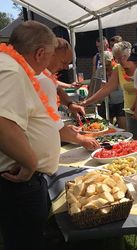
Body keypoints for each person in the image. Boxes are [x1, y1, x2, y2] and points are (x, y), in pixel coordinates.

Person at [0, 20, 59, 250]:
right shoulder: (11, 69)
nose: (48, 64)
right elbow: (2, 122)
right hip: (17, 183)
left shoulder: (10, 65)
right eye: (50, 55)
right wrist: (30, 162)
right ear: (40, 53)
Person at [37, 38, 100, 150]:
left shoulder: (46, 75)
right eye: (64, 62)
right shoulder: (42, 80)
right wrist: (83, 140)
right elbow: (52, 125)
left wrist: (71, 105)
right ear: (50, 54)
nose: (66, 67)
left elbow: (58, 89)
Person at [82, 41, 137, 138]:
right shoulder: (118, 69)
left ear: (130, 54)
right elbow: (106, 89)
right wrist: (87, 102)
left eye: (122, 57)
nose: (120, 61)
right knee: (133, 138)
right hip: (129, 111)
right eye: (117, 58)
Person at [93, 50, 126, 129]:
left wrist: (110, 84)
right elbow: (96, 85)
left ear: (112, 60)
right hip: (106, 101)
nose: (105, 68)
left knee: (123, 128)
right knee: (107, 127)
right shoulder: (100, 70)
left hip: (120, 101)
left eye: (107, 65)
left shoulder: (119, 68)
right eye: (103, 65)